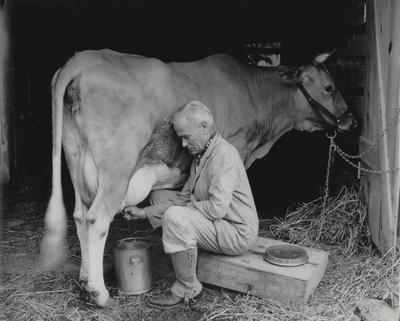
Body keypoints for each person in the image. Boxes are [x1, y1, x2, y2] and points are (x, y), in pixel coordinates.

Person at [123, 100, 259, 309]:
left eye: (186, 137)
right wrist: (143, 212)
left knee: (175, 216)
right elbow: (181, 198)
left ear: (204, 128)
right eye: (181, 138)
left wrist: (184, 210)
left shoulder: (222, 156)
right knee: (159, 197)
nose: (184, 145)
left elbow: (217, 209)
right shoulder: (202, 155)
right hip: (219, 223)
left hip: (236, 231)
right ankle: (186, 252)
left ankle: (188, 287)